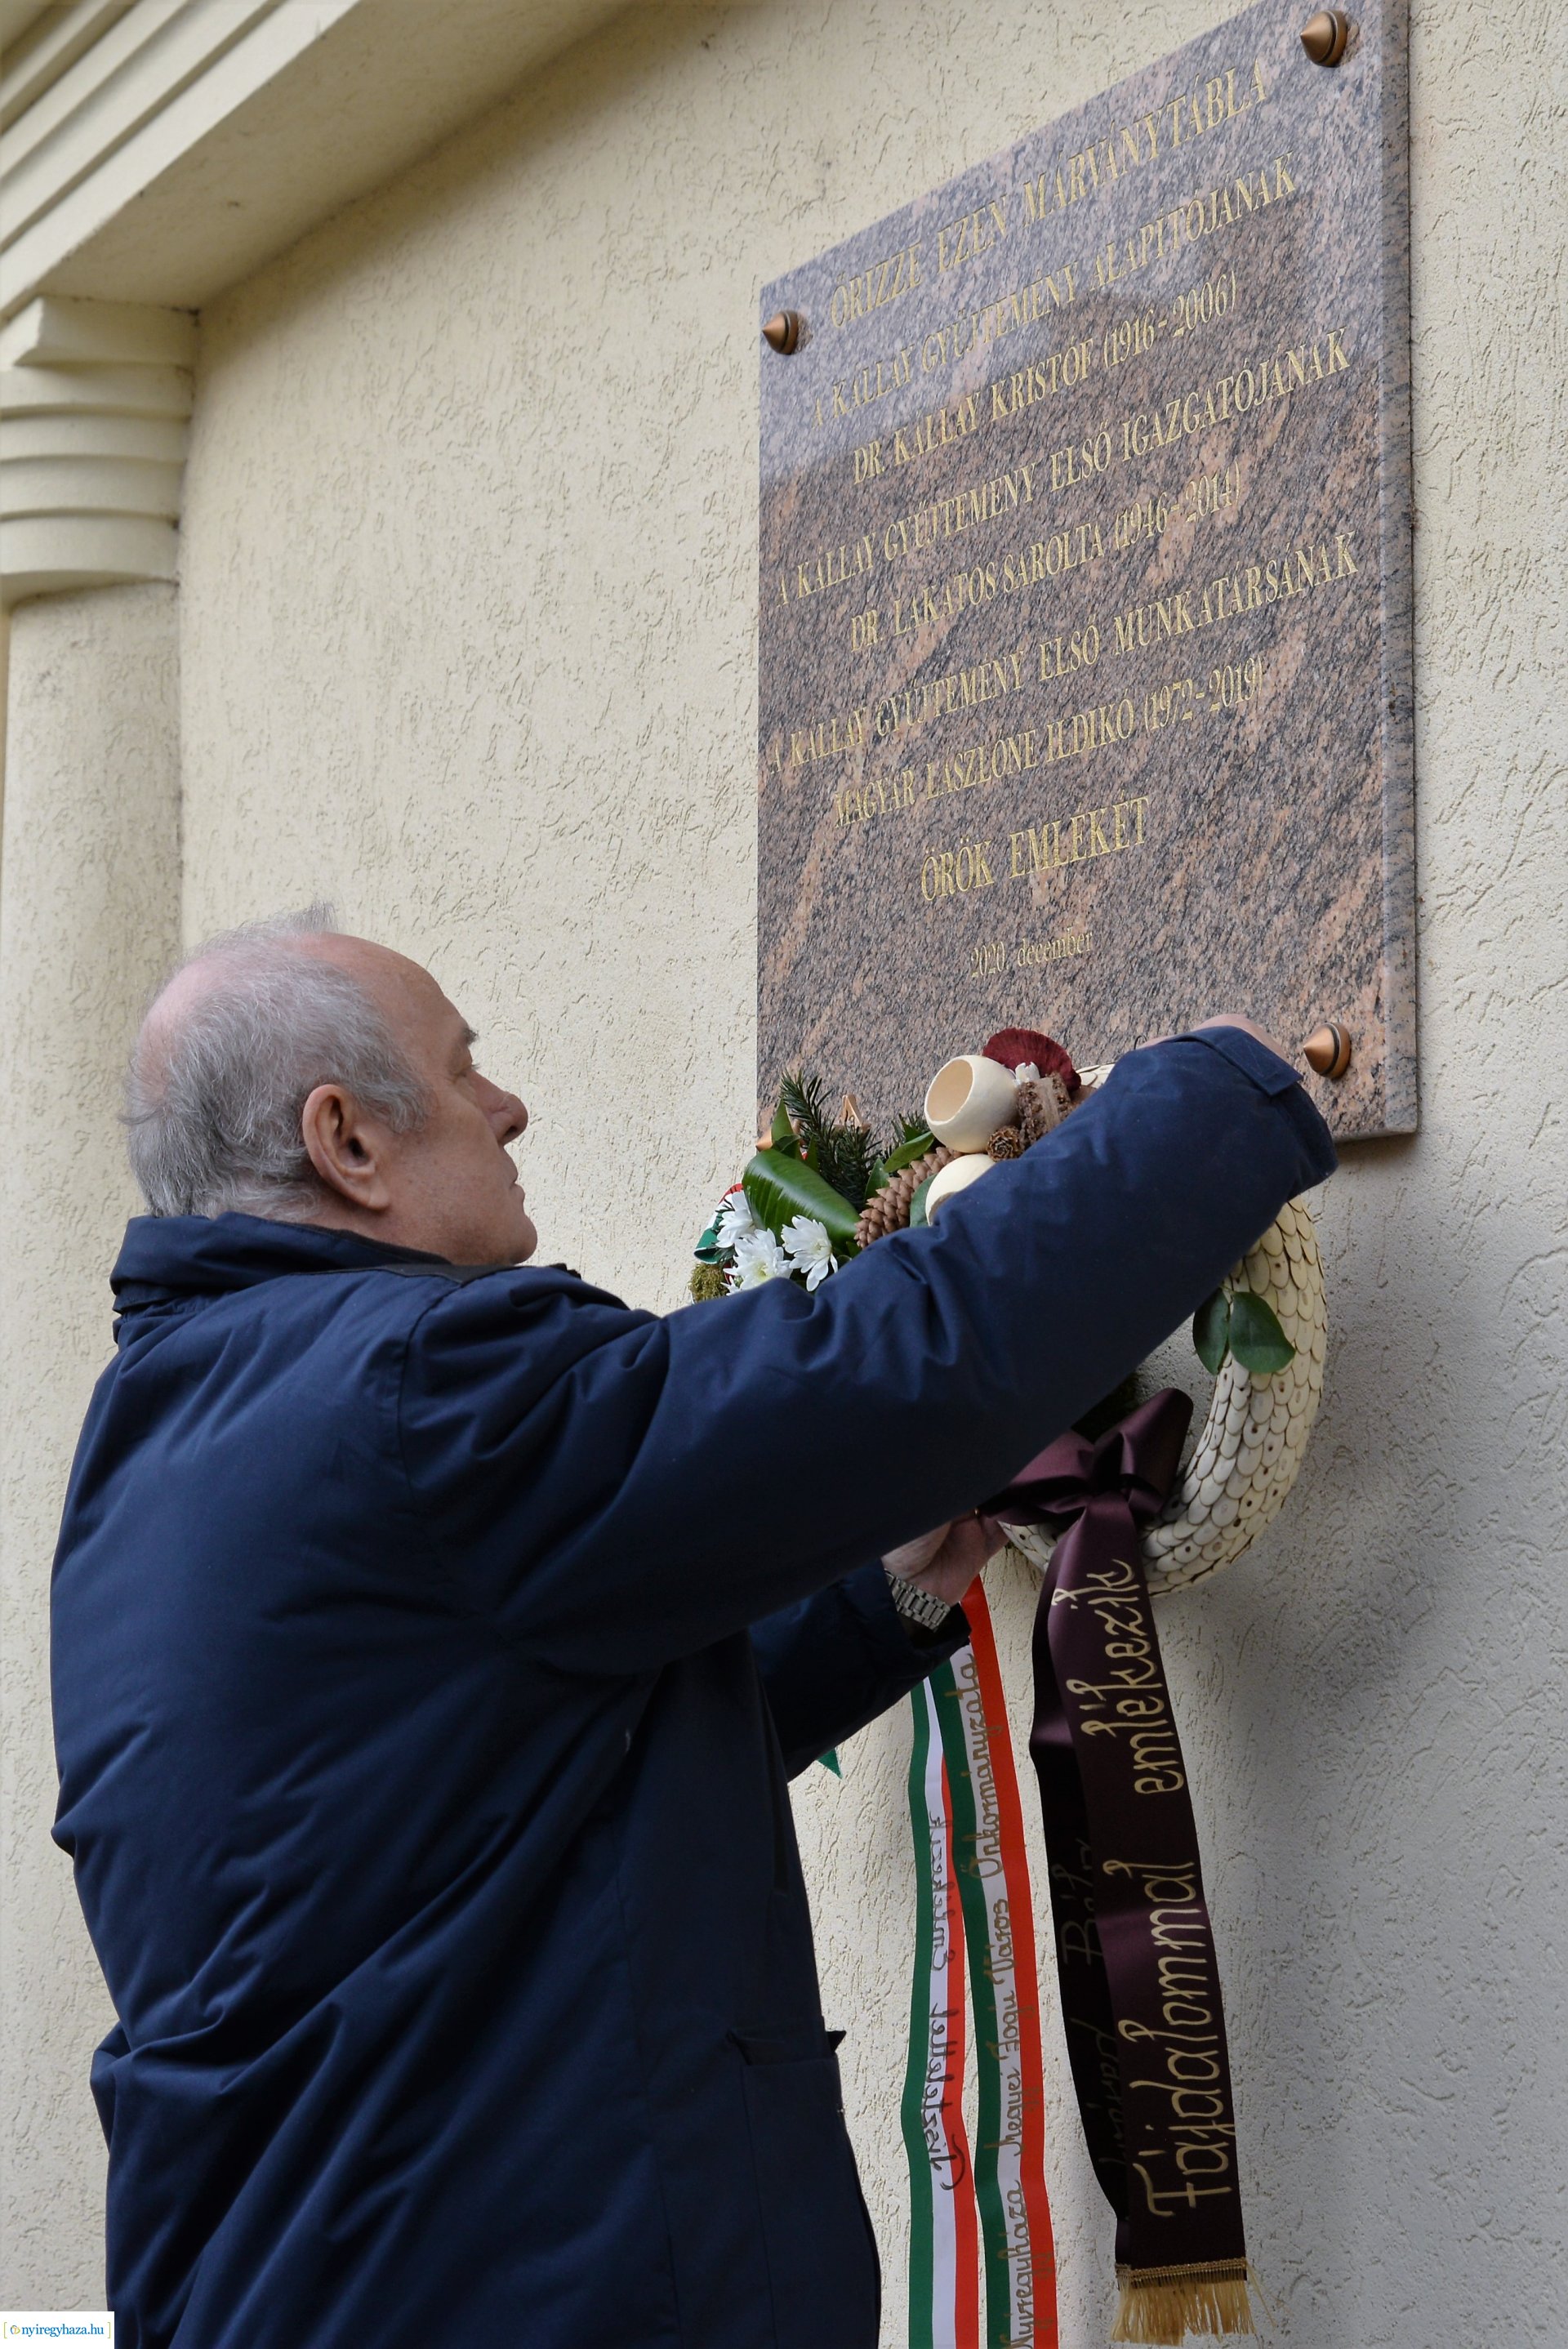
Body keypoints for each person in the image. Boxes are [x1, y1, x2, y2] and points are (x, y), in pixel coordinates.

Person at [51, 907, 1335, 2349]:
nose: (507, 1105)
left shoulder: (163, 1432)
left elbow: (497, 1783)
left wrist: (884, 1593)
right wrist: (1211, 1100)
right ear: (346, 1140)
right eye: (463, 1069)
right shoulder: (416, 1390)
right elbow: (885, 1375)